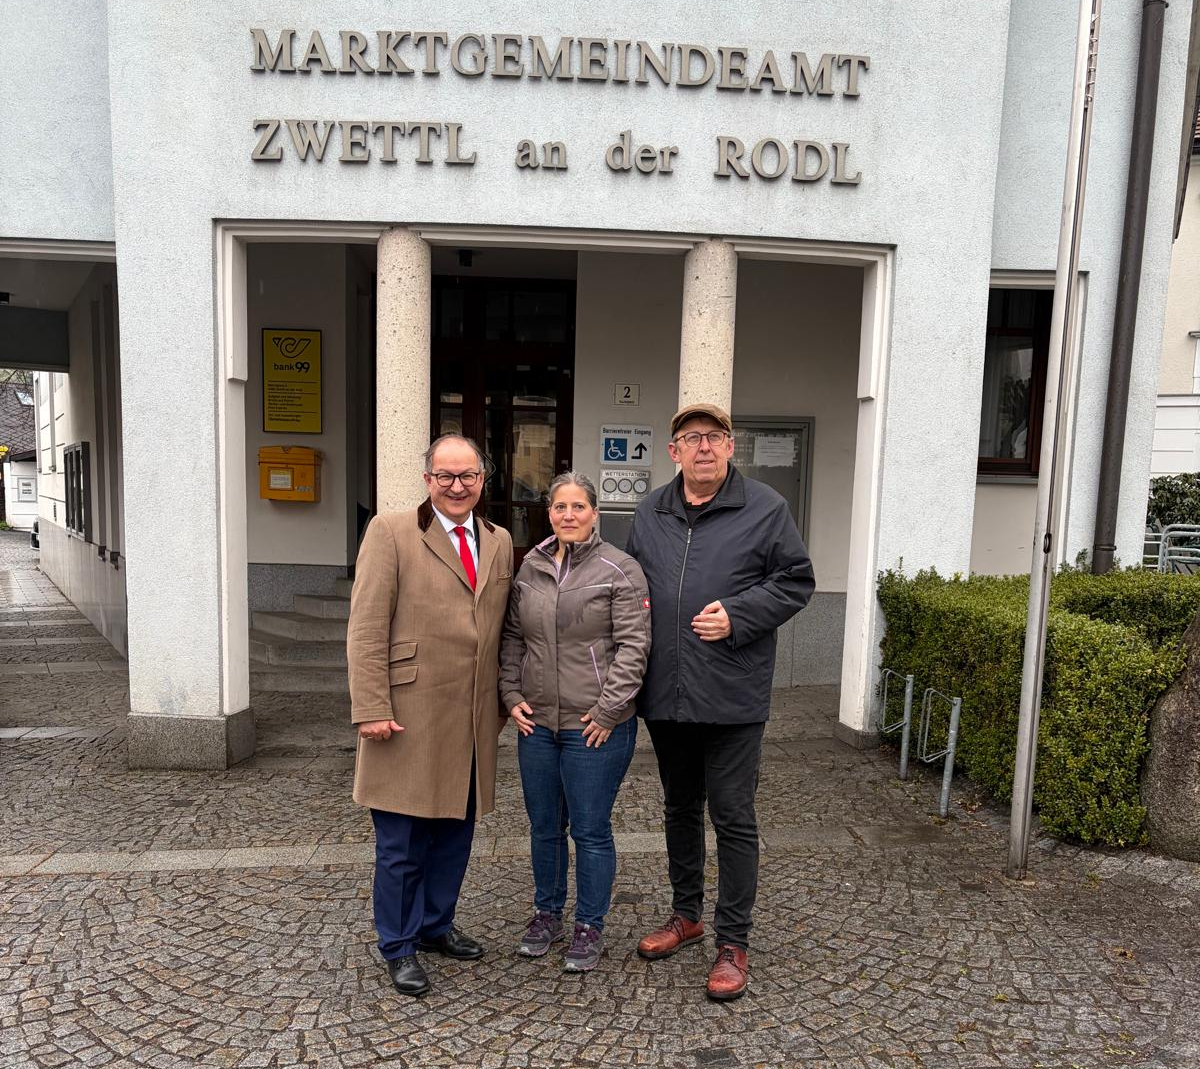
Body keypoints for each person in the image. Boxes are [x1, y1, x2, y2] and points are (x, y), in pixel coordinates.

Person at [625, 403, 815, 1001]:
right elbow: (631, 589)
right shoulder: (651, 511)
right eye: (691, 438)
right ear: (674, 451)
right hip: (667, 691)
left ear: (731, 447)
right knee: (680, 807)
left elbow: (796, 580)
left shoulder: (765, 507)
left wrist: (738, 615)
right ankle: (687, 915)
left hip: (733, 691)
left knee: (732, 815)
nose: (703, 447)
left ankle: (734, 941)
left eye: (714, 436)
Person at [346, 434, 514, 998]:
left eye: (467, 476)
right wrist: (371, 706)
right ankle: (398, 944)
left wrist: (502, 702)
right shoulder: (391, 531)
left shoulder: (499, 541)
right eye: (445, 476)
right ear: (428, 480)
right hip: (406, 713)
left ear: (482, 481)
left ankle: (436, 925)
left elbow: (500, 629)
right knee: (401, 843)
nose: (457, 486)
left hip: (471, 718)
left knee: (454, 834)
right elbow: (366, 627)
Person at [499, 472, 651, 972]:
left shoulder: (620, 569)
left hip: (594, 726)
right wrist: (511, 693)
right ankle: (547, 914)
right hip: (538, 723)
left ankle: (590, 924)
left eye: (578, 507)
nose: (568, 515)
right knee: (545, 827)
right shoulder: (531, 566)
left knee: (589, 829)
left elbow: (634, 647)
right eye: (560, 507)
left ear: (595, 513)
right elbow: (513, 638)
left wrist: (608, 710)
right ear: (549, 513)